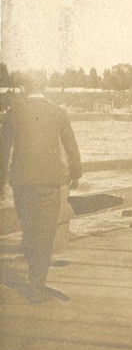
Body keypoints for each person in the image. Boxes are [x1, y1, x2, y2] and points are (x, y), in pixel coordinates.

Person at [0, 74, 82, 303]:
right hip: (49, 182)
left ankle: (33, 278)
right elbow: (71, 148)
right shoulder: (58, 113)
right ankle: (37, 285)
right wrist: (76, 174)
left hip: (22, 181)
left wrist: (0, 184)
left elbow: (3, 151)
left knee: (29, 228)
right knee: (45, 232)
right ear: (44, 87)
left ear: (25, 87)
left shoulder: (13, 113)